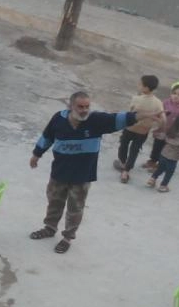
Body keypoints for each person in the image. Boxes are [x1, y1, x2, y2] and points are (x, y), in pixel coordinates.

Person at [29, 89, 135, 253]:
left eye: (87, 106)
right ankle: (49, 228)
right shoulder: (58, 119)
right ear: (71, 106)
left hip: (82, 176)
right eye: (80, 106)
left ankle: (67, 238)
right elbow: (47, 137)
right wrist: (36, 154)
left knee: (75, 208)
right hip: (59, 173)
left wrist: (145, 114)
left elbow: (120, 119)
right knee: (54, 202)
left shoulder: (96, 120)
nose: (84, 110)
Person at [115, 73, 165, 183]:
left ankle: (122, 163)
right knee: (135, 150)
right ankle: (126, 171)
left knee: (124, 144)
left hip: (130, 128)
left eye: (140, 84)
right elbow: (163, 119)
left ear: (146, 88)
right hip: (143, 131)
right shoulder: (158, 103)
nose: (138, 86)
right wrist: (158, 126)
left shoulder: (136, 99)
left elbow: (131, 112)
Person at [149, 111, 179, 192]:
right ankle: (163, 186)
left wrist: (157, 133)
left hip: (163, 154)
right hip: (172, 158)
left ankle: (152, 179)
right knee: (169, 172)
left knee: (160, 168)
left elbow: (163, 138)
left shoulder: (171, 131)